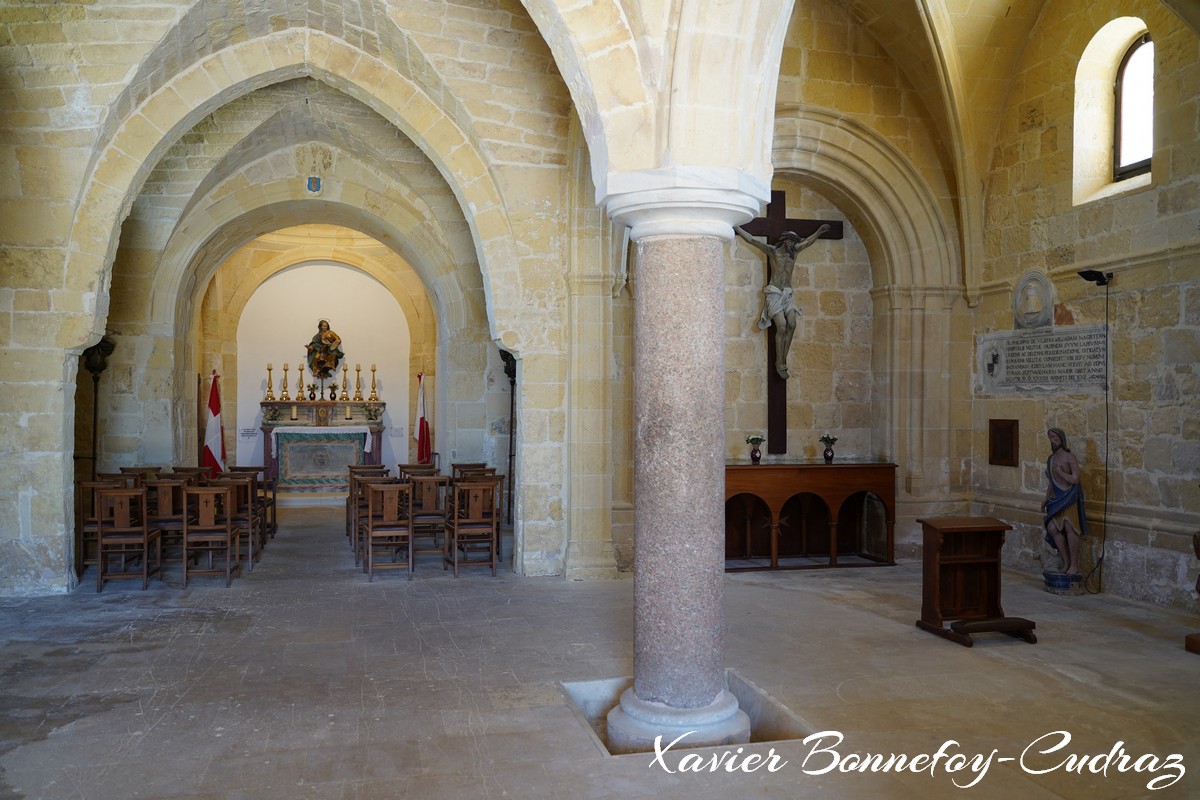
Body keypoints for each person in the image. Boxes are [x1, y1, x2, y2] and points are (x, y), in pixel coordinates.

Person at [735, 223, 831, 380]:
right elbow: (752, 240)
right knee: (782, 326)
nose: (793, 245)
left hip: (787, 294)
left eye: (795, 242)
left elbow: (808, 241)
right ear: (785, 240)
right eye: (791, 241)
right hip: (774, 293)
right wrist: (737, 228)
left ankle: (782, 360)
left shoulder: (794, 252)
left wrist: (820, 231)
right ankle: (779, 363)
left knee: (792, 324)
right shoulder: (773, 251)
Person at [1040, 427, 1087, 575]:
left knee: (1070, 528)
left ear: (1061, 439)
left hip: (1069, 498)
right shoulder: (1051, 459)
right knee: (1052, 528)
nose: (1052, 441)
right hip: (1056, 499)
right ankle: (1066, 561)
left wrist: (1061, 472)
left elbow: (1075, 478)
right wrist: (1046, 498)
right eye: (1050, 438)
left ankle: (1074, 565)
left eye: (1055, 438)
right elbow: (1052, 482)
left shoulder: (1069, 457)